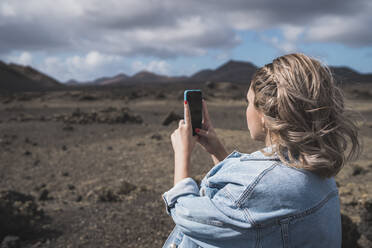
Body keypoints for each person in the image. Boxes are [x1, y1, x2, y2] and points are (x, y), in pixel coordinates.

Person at [162, 53, 361, 248]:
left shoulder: (258, 189)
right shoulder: (318, 170)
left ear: (266, 112)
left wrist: (182, 154)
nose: (246, 110)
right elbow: (254, 213)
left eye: (248, 102)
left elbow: (186, 215)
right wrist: (217, 151)